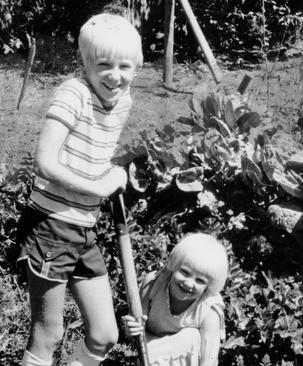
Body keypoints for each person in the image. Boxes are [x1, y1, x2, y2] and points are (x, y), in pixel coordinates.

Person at [14, 13, 142, 366]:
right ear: (85, 63)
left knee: (105, 334)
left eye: (125, 66)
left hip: (84, 228)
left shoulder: (123, 101)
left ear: (137, 67)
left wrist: (113, 172)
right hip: (52, 225)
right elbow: (45, 162)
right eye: (103, 65)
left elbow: (92, 151)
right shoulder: (74, 94)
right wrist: (100, 186)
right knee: (48, 333)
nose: (115, 76)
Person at [122, 233, 228, 366]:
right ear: (173, 265)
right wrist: (132, 328)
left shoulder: (209, 310)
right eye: (185, 272)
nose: (189, 284)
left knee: (191, 336)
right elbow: (136, 333)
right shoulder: (154, 284)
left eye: (200, 280)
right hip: (149, 354)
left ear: (209, 286)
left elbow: (209, 360)